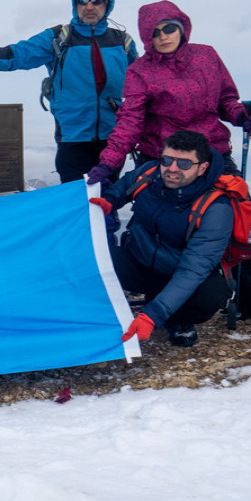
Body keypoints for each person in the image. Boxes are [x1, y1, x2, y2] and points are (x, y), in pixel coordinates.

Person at [85, 0, 251, 322]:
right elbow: (129, 120)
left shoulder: (207, 56)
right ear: (147, 37)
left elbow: (226, 100)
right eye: (154, 32)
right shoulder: (140, 71)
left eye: (169, 28)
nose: (163, 36)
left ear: (182, 27)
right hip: (162, 160)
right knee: (155, 228)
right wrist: (108, 163)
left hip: (211, 156)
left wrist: (239, 114)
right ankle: (161, 298)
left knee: (245, 223)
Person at [0, 0, 137, 183]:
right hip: (73, 138)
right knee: (74, 200)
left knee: (107, 199)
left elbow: (143, 89)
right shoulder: (59, 38)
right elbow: (16, 55)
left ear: (108, 4)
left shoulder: (122, 42)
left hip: (114, 140)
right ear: (74, 4)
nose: (89, 5)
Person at [91, 130, 232, 348]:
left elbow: (192, 270)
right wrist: (109, 201)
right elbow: (122, 189)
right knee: (91, 259)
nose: (172, 169)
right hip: (139, 260)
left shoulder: (216, 208)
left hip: (179, 273)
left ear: (202, 167)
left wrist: (153, 315)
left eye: (184, 163)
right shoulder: (149, 173)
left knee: (211, 295)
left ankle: (178, 319)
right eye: (167, 160)